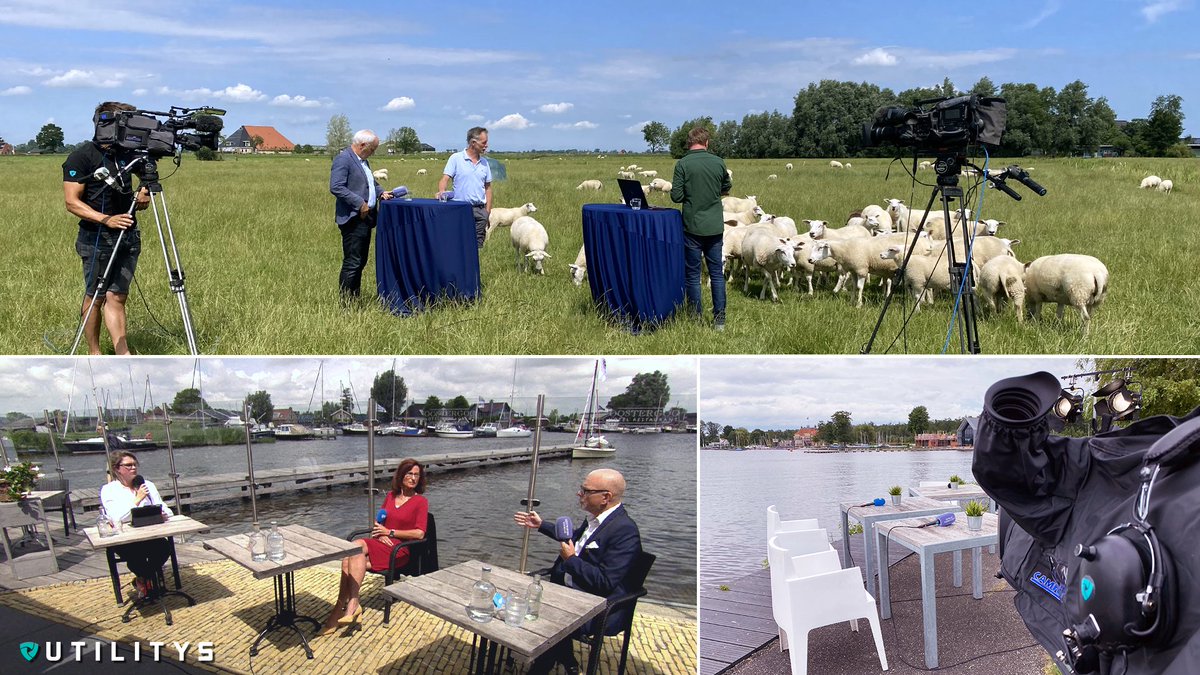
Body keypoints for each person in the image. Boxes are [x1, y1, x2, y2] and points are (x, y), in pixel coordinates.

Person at [514, 468, 643, 675]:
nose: (579, 494)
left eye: (585, 490)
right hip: (568, 591)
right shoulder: (595, 518)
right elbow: (576, 540)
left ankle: (539, 669)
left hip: (599, 606)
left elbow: (605, 583)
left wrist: (571, 560)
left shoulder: (625, 531)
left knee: (548, 619)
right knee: (519, 598)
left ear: (605, 497)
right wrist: (541, 526)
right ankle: (567, 659)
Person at [62, 101, 152, 355]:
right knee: (96, 297)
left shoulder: (128, 153)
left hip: (128, 236)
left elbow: (147, 173)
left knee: (118, 296)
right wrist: (105, 219)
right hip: (96, 238)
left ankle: (122, 353)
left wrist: (144, 191)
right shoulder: (81, 156)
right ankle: (94, 352)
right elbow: (72, 202)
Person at [320, 458, 428, 635]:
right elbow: (379, 522)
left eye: (416, 475)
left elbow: (419, 533)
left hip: (399, 550)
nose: (413, 478)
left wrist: (390, 533)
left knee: (353, 554)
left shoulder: (420, 502)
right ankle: (350, 605)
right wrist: (379, 533)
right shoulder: (390, 496)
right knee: (352, 554)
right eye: (409, 473)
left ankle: (343, 607)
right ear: (401, 476)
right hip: (380, 543)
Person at [670, 126, 733, 331]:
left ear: (689, 143)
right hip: (715, 226)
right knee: (716, 274)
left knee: (693, 275)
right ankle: (720, 321)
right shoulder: (718, 162)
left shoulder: (683, 164)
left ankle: (695, 319)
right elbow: (725, 188)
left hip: (692, 227)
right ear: (707, 142)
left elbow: (676, 196)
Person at [99, 451, 172, 601]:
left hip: (150, 533)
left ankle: (143, 580)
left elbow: (164, 507)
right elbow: (115, 517)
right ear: (117, 468)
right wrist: (137, 499)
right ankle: (149, 581)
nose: (133, 468)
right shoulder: (109, 490)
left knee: (165, 548)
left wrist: (164, 514)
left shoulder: (148, 485)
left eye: (134, 465)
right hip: (126, 538)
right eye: (128, 465)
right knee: (135, 556)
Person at [330, 129, 393, 303]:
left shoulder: (363, 161)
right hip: (353, 218)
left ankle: (354, 298)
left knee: (360, 261)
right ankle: (347, 303)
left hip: (366, 218)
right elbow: (336, 187)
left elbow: (369, 182)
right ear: (363, 145)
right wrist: (360, 203)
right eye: (372, 149)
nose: (373, 152)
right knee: (353, 262)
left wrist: (381, 192)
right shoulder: (344, 159)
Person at [437, 126, 492, 248]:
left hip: (480, 211)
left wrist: (487, 212)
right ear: (473, 143)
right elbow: (445, 179)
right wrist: (442, 192)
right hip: (460, 210)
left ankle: (473, 267)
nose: (486, 145)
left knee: (477, 247)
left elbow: (488, 188)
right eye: (484, 142)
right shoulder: (456, 158)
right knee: (457, 244)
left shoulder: (485, 163)